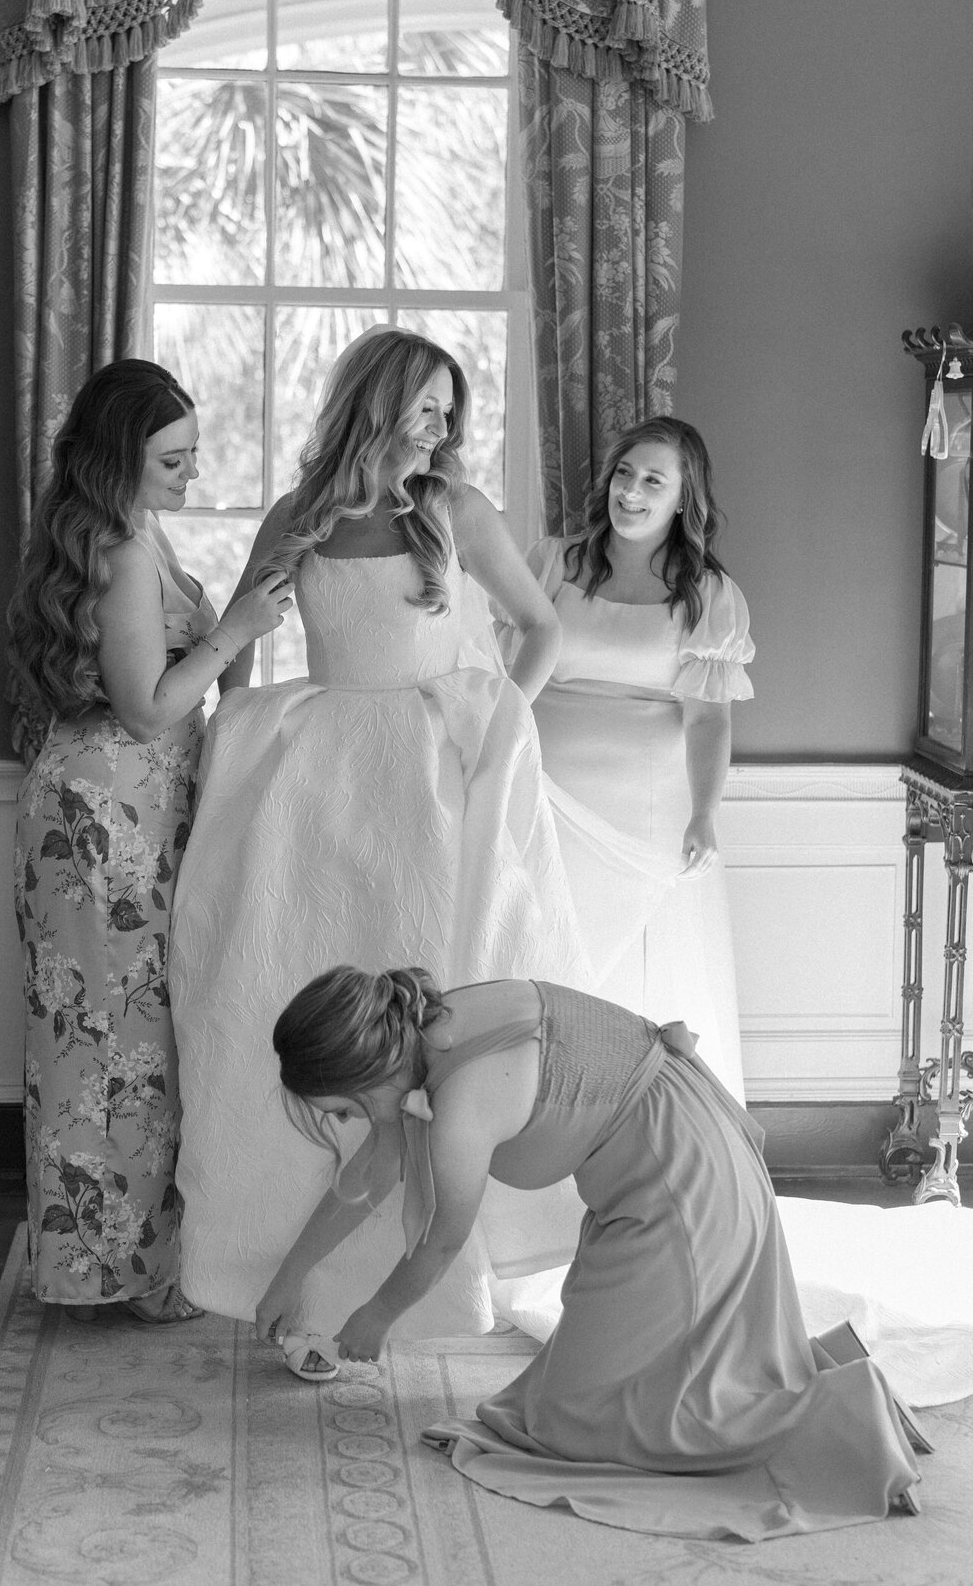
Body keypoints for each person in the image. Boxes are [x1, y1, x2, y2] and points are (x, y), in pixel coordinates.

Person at [169, 326, 592, 1376]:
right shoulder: (299, 517)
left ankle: (443, 1273)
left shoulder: (454, 513)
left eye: (452, 414)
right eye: (426, 409)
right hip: (318, 792)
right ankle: (282, 1262)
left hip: (427, 785)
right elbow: (240, 655)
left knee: (423, 1013)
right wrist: (229, 767)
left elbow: (542, 631)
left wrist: (496, 727)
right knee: (309, 1000)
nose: (442, 430)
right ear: (377, 402)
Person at [257, 964, 926, 1541]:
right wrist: (285, 1281)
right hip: (668, 1165)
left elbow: (440, 1241)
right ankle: (802, 1391)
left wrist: (376, 1317)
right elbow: (371, 1176)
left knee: (585, 1431)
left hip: (685, 1190)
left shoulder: (462, 1103)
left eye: (343, 1110)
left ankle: (845, 1422)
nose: (348, 1125)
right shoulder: (426, 1027)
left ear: (366, 1072)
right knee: (576, 1404)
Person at [7, 359, 292, 1320]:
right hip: (107, 819)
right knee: (112, 1044)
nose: (192, 474)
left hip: (127, 809)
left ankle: (125, 1263)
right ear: (124, 456)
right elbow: (143, 708)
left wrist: (243, 626)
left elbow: (191, 688)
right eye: (174, 459)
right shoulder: (122, 551)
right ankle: (116, 1272)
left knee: (123, 1037)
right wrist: (236, 628)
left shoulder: (135, 533)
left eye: (196, 455)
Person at [520, 416, 753, 1099]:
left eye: (654, 480)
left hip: (646, 804)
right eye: (625, 473)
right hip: (544, 790)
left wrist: (704, 814)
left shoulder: (709, 595)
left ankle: (637, 1117)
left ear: (685, 497)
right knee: (549, 950)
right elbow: (508, 678)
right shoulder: (553, 563)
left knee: (633, 964)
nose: (632, 491)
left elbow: (708, 718)